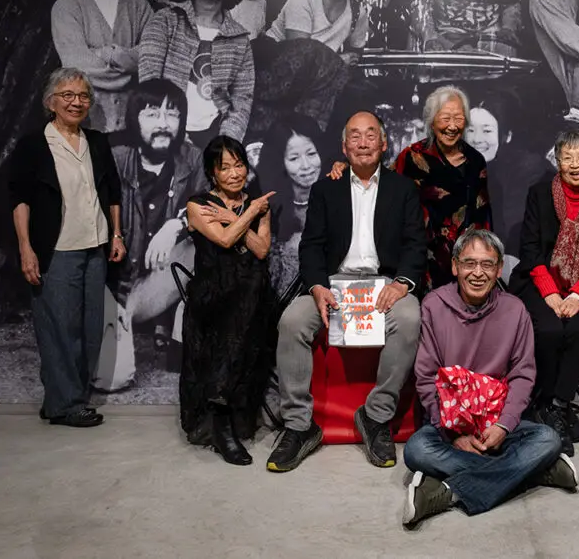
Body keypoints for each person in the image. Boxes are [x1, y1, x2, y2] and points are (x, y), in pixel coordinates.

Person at [268, 111, 426, 473]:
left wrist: (402, 283)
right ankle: (298, 425)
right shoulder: (326, 189)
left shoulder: (403, 190)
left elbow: (416, 245)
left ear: (384, 144)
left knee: (410, 317)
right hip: (336, 282)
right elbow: (311, 246)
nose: (364, 142)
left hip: (385, 282)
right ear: (344, 146)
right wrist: (318, 286)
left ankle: (375, 416)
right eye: (355, 136)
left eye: (371, 135)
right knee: (292, 320)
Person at [403, 228, 578, 526]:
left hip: (495, 424)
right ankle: (534, 472)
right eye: (469, 263)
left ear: (499, 269)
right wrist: (453, 434)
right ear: (455, 266)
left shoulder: (514, 309)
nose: (478, 273)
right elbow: (425, 375)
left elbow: (523, 375)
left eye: (487, 265)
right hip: (450, 425)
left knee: (547, 438)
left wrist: (503, 425)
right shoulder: (433, 305)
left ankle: (450, 492)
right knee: (416, 449)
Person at [8, 67, 126, 427]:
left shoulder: (97, 142)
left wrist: (117, 234)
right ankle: (65, 405)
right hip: (56, 249)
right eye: (68, 95)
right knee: (60, 329)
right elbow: (20, 199)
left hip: (96, 247)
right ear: (51, 102)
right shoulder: (34, 145)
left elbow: (113, 193)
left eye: (83, 96)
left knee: (90, 328)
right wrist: (26, 248)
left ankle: (65, 400)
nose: (77, 102)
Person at [509, 130, 579, 456]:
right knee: (552, 329)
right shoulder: (539, 195)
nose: (575, 164)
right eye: (567, 157)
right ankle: (546, 403)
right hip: (540, 283)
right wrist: (552, 294)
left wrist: (577, 295)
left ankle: (557, 404)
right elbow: (530, 252)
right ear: (557, 162)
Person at [327, 86, 492, 290]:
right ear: (431, 121)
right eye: (445, 118)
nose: (452, 126)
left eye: (458, 118)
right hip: (422, 254)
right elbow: (380, 178)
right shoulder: (413, 156)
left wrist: (480, 256)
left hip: (464, 255)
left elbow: (482, 213)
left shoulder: (476, 160)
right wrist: (347, 166)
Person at [181, 135, 276, 465]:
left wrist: (240, 215)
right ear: (212, 172)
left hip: (247, 300)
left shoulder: (259, 205)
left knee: (250, 287)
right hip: (212, 298)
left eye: (240, 165)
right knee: (241, 298)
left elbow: (262, 249)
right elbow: (223, 240)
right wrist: (248, 213)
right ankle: (219, 423)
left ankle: (225, 411)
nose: (236, 173)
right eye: (226, 168)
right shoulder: (198, 204)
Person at [112, 79, 206, 362]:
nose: (163, 124)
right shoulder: (116, 158)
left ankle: (180, 326)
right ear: (134, 118)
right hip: (116, 286)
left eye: (172, 114)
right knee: (113, 380)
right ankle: (114, 323)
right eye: (152, 114)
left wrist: (177, 224)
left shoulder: (193, 158)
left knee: (201, 243)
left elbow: (211, 204)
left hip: (161, 282)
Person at [139, 0, 254, 148]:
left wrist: (226, 142)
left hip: (213, 135)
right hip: (165, 131)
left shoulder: (239, 38)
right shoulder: (165, 21)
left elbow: (241, 101)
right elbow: (150, 84)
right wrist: (172, 133)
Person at [51, 0, 153, 132]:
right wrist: (130, 63)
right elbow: (78, 68)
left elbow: (153, 56)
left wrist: (108, 55)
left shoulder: (139, 5)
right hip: (86, 126)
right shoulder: (67, 6)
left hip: (133, 127)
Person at [464, 91, 552, 259]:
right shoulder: (480, 163)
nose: (476, 139)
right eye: (471, 130)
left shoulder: (528, 170)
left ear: (508, 135)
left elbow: (513, 235)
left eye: (487, 131)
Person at [253, 112, 327, 295]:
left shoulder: (335, 191)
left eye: (311, 153)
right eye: (294, 158)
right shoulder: (267, 202)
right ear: (280, 162)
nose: (306, 166)